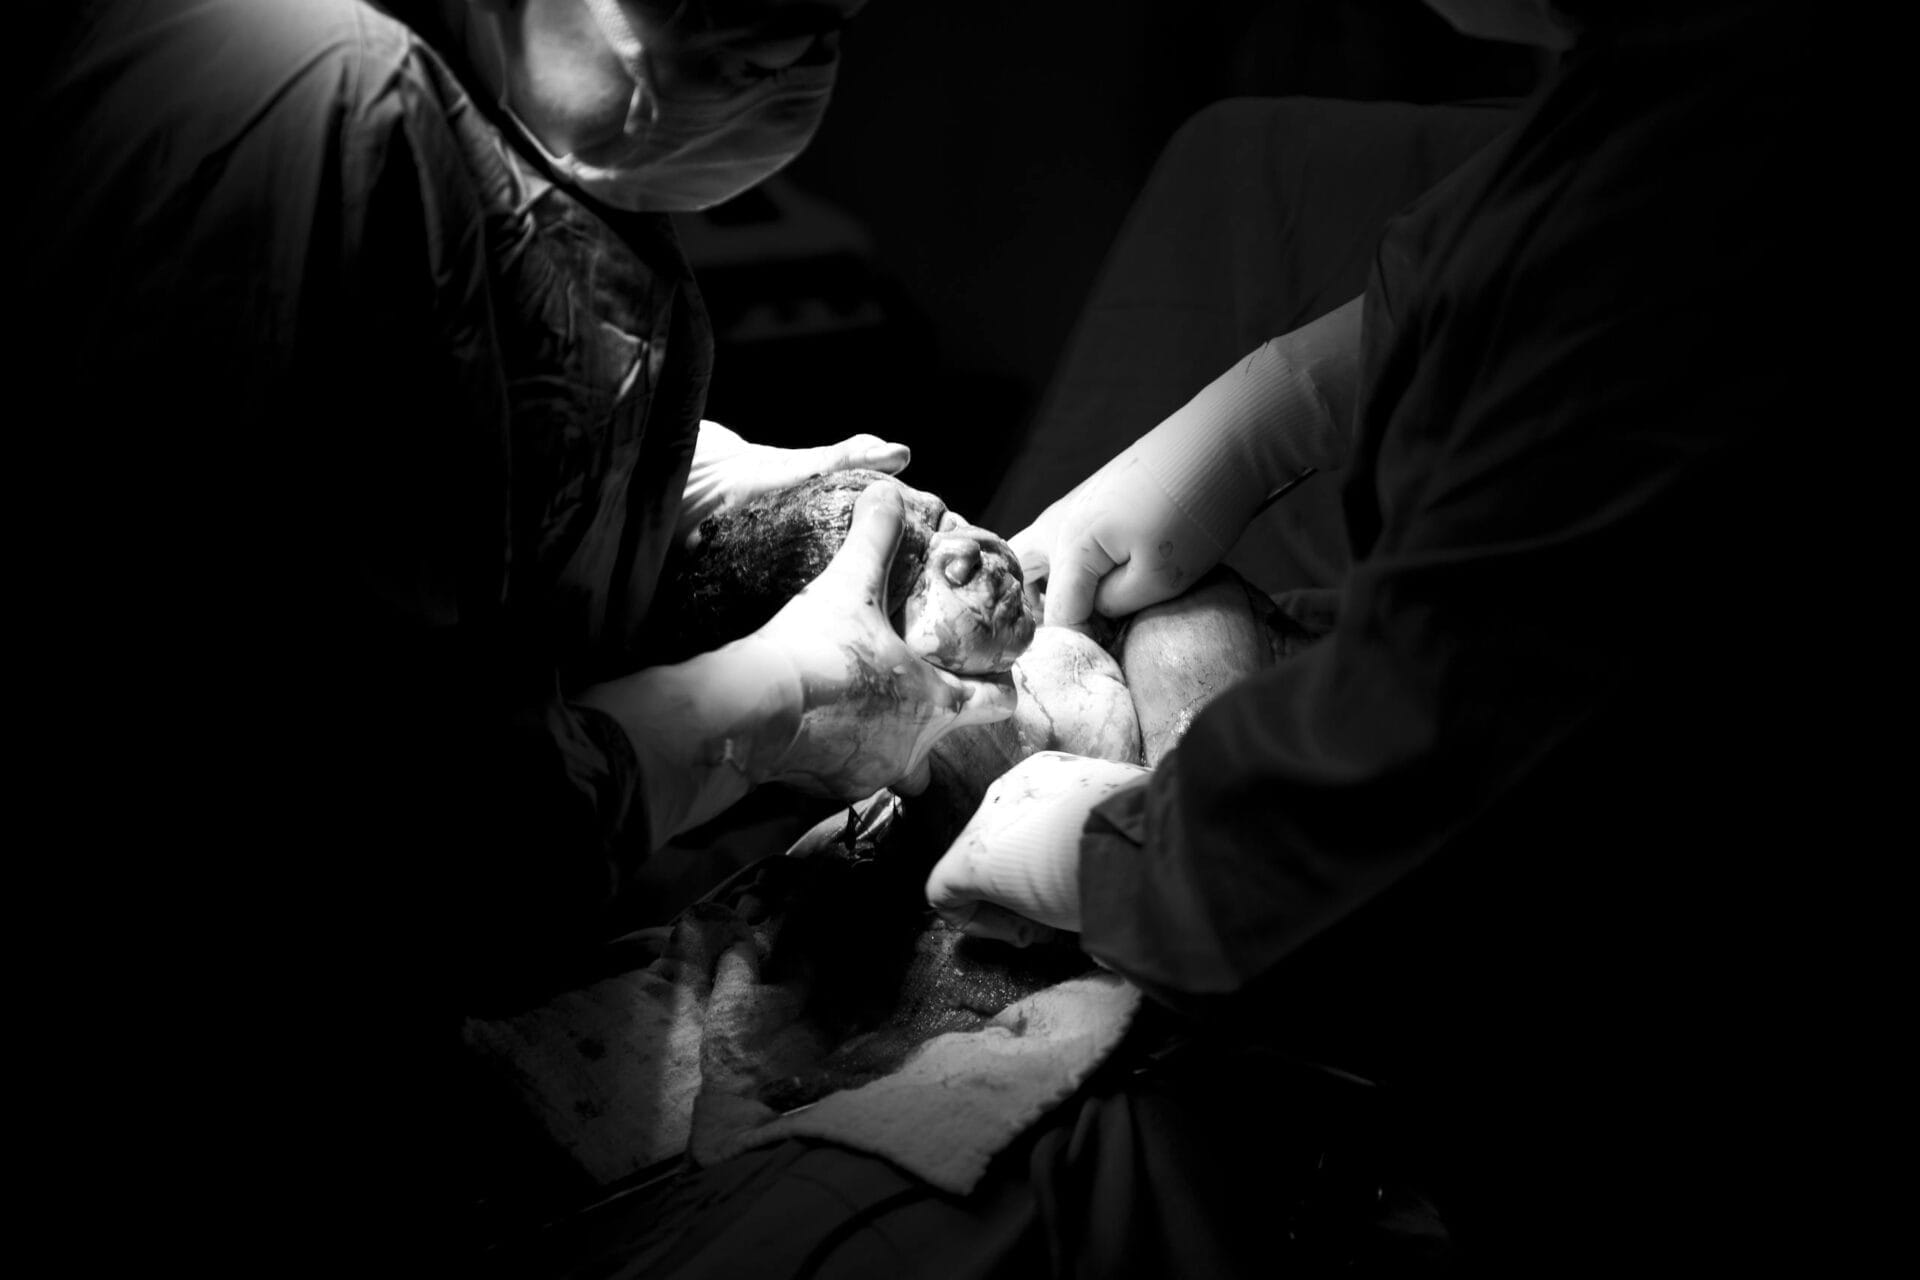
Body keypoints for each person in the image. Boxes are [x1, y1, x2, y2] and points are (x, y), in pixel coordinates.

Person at [20, 0, 1019, 1263]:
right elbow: (374, 842)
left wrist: (705, 495)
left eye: (826, 26)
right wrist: (769, 695)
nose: (788, 60)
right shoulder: (315, 112)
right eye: (745, 32)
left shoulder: (479, 110)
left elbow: (424, 437)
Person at [927, 0, 1844, 1270]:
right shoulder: (1667, 83)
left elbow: (1416, 803)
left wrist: (1114, 855)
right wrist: (1271, 412)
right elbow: (1516, 256)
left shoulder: (1744, 145)